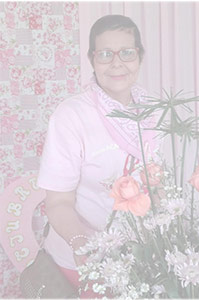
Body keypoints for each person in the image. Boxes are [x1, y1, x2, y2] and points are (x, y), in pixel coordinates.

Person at [37, 14, 156, 295]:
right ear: (92, 59)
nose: (117, 63)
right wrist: (82, 246)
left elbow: (156, 184)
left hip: (139, 254)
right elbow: (58, 201)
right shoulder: (71, 115)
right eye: (105, 54)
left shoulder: (154, 111)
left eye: (127, 52)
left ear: (139, 56)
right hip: (82, 258)